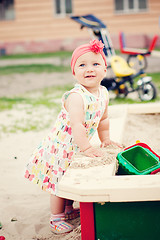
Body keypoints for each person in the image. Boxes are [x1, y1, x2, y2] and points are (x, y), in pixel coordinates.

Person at [24, 39, 121, 234]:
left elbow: (103, 119)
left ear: (105, 68)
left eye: (95, 64)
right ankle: (56, 217)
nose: (89, 69)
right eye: (82, 65)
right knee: (59, 183)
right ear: (74, 72)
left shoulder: (103, 93)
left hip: (76, 145)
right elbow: (77, 125)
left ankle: (68, 210)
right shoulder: (76, 96)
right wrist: (86, 148)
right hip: (60, 147)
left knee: (69, 179)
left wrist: (105, 139)